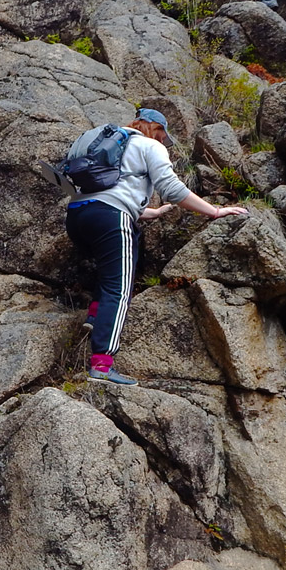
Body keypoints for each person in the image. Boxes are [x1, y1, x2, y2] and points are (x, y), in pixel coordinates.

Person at [65, 109, 247, 386]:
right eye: (163, 134)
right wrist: (214, 211)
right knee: (120, 286)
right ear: (152, 126)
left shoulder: (103, 140)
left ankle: (96, 314)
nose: (164, 141)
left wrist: (148, 211)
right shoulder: (149, 145)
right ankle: (102, 365)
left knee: (119, 258)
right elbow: (171, 188)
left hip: (77, 216)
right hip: (111, 217)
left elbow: (104, 188)